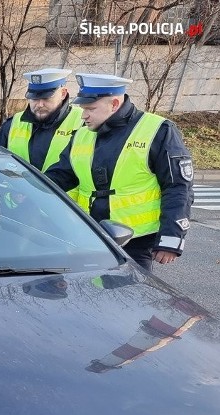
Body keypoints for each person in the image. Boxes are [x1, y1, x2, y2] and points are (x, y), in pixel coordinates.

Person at [44, 73, 194, 271]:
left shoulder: (158, 130)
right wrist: (24, 184)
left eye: (90, 109)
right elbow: (61, 176)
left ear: (114, 104)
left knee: (130, 297)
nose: (83, 115)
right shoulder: (82, 134)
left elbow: (178, 187)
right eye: (83, 109)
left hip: (136, 242)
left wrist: (171, 239)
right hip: (91, 234)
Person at [0, 68, 84, 173]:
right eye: (34, 98)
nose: (40, 105)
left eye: (47, 98)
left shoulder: (83, 122)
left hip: (59, 190)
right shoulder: (13, 123)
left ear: (63, 93)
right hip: (15, 189)